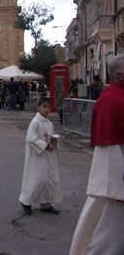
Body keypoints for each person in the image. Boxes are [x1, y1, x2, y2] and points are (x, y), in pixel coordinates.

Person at [69, 54, 124, 255]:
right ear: (119, 75)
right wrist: (116, 188)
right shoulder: (112, 101)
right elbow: (110, 150)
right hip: (116, 187)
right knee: (110, 239)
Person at [19, 97, 62, 215]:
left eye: (48, 107)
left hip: (48, 155)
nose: (47, 109)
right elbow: (31, 138)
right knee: (38, 178)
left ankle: (46, 203)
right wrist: (45, 146)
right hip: (37, 155)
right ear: (38, 107)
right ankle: (26, 201)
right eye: (44, 107)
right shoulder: (35, 122)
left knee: (48, 178)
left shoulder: (50, 123)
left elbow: (51, 136)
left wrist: (54, 142)